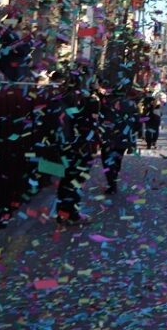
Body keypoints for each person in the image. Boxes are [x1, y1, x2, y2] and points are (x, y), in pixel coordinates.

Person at [55, 69, 101, 224]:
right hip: (80, 146)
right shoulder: (90, 100)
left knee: (66, 179)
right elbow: (91, 125)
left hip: (63, 145)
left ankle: (62, 213)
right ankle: (72, 214)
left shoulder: (62, 98)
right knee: (75, 181)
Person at [100, 78, 139, 195]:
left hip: (108, 136)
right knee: (117, 159)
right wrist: (134, 138)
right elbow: (137, 122)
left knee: (107, 159)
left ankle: (111, 182)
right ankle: (114, 177)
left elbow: (100, 119)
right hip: (123, 137)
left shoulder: (105, 102)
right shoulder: (131, 104)